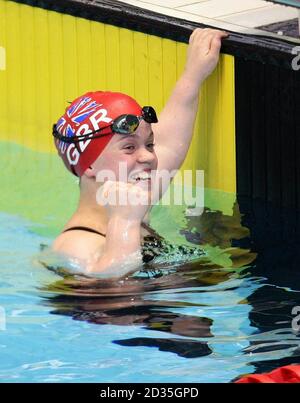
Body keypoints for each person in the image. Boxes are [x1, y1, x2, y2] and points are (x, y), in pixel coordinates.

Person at [51, 28, 228, 275]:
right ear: (89, 164)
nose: (148, 157)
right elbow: (114, 287)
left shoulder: (133, 198)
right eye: (129, 147)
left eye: (149, 144)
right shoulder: (75, 244)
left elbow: (169, 142)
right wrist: (125, 221)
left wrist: (194, 74)